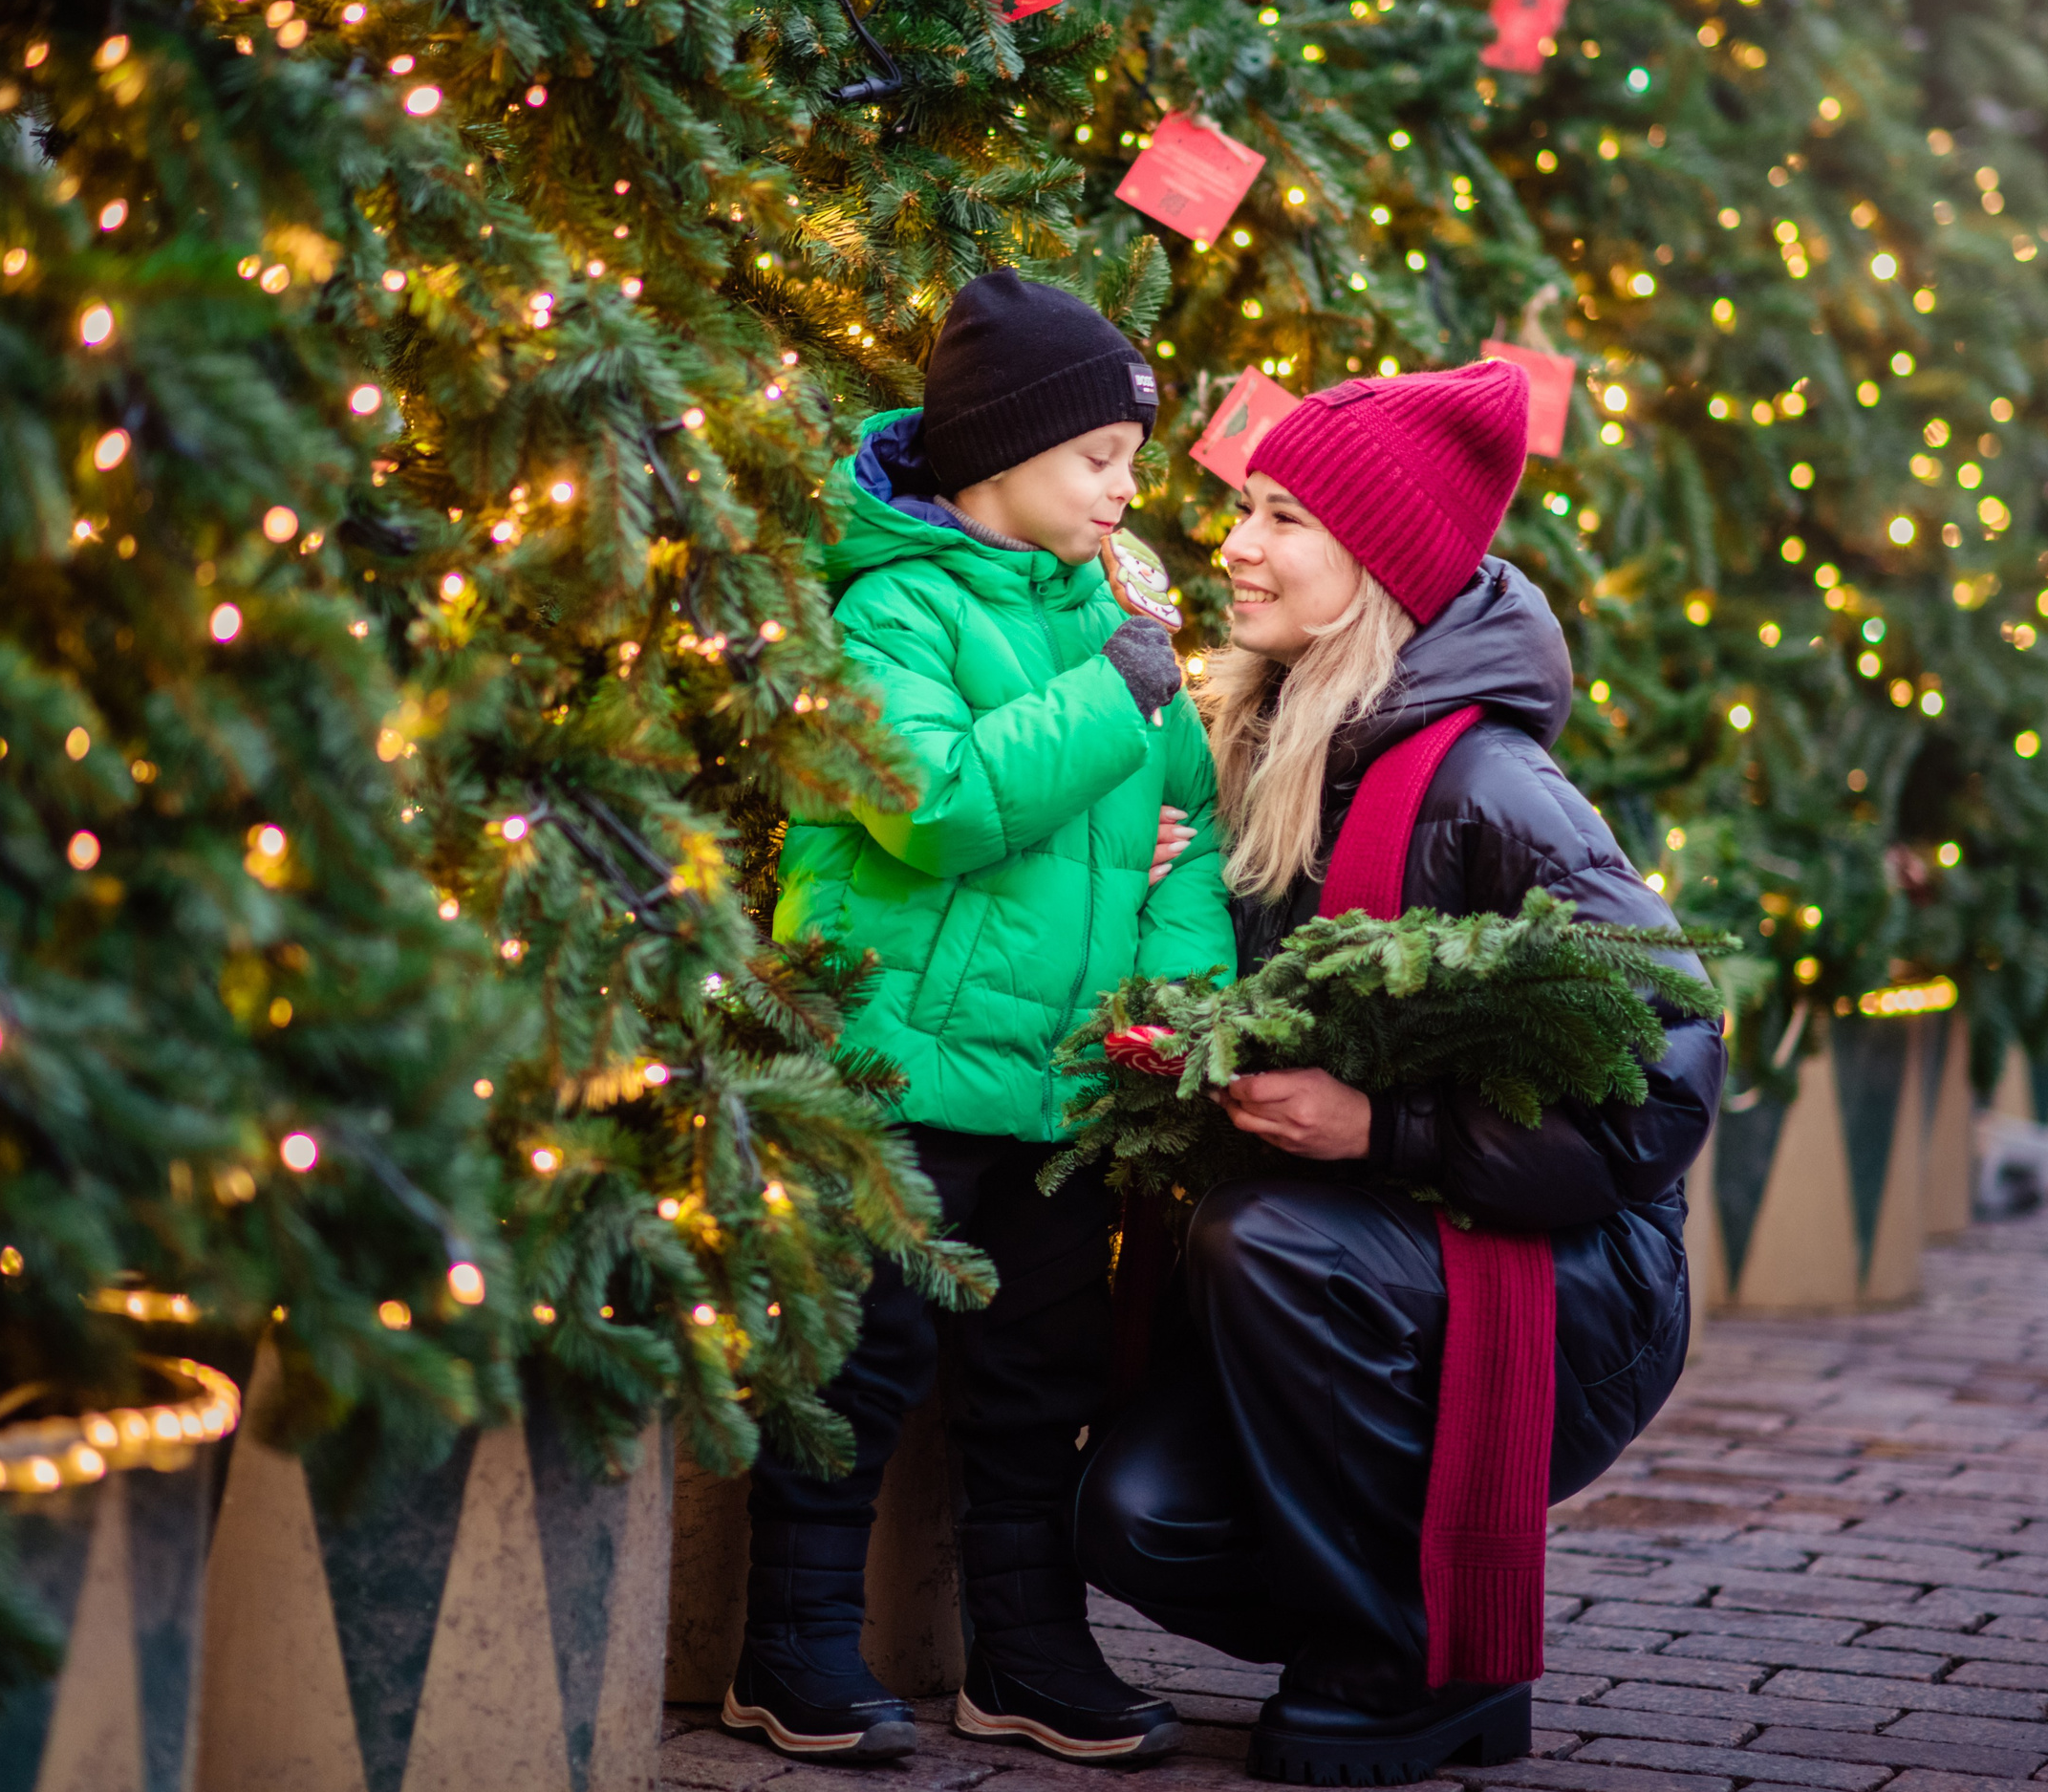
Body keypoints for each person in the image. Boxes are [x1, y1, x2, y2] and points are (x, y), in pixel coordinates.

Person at [1072, 361, 1725, 1785]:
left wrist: (1389, 1126)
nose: (1238, 543)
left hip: (1569, 1279)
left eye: (1285, 518)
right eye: (1246, 508)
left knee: (1269, 1239)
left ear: (1374, 565)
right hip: (1368, 1250)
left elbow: (1668, 1066)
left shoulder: (1489, 785)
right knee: (1134, 1517)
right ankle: (1384, 1627)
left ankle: (1415, 1672)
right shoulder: (1258, 741)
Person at [732, 270, 1234, 1765]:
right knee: (861, 1350)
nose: (1123, 490)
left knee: (1038, 1382)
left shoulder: (1118, 614)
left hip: (1063, 1081)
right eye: (1099, 459)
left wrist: (1177, 1003)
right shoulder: (889, 608)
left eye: (1132, 465)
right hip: (908, 1065)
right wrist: (1117, 701)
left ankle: (1023, 1654)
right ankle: (791, 1647)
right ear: (1002, 455)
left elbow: (1186, 832)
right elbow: (932, 804)